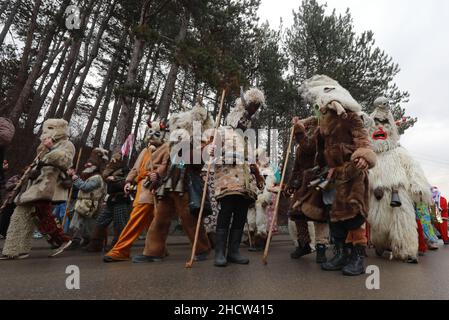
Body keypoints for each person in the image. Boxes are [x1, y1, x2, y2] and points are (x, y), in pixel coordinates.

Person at [300, 75, 377, 276]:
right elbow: (312, 148)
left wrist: (363, 156)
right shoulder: (321, 124)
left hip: (352, 172)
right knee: (335, 218)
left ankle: (358, 257)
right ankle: (341, 254)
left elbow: (363, 139)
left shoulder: (351, 116)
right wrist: (299, 132)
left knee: (353, 215)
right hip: (332, 176)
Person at [132, 102, 213, 263]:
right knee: (160, 218)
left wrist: (200, 152)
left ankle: (202, 248)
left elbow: (198, 163)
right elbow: (164, 164)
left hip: (186, 183)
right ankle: (154, 251)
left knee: (189, 219)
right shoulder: (171, 146)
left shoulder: (198, 144)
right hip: (167, 183)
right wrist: (156, 174)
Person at [366, 97, 434, 263]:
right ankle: (381, 245)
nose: (380, 129)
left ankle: (407, 252)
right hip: (376, 195)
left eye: (385, 125)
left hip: (399, 194)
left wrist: (417, 185)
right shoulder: (370, 155)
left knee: (402, 223)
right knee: (379, 226)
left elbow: (413, 168)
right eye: (376, 125)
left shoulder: (399, 151)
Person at [0, 119, 74, 259]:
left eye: (51, 128)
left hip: (48, 186)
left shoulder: (67, 144)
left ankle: (61, 240)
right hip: (34, 185)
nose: (47, 131)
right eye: (46, 128)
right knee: (21, 215)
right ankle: (16, 249)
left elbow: (65, 161)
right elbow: (38, 164)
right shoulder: (42, 146)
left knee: (41, 215)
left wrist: (52, 148)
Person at [210, 88, 266, 267]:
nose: (245, 121)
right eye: (244, 116)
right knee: (226, 211)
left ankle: (234, 251)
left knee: (241, 214)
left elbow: (250, 160)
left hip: (245, 182)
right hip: (227, 180)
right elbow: (213, 157)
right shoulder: (222, 132)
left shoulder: (248, 138)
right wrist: (212, 152)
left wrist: (257, 174)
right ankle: (220, 251)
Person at [103, 121, 170, 262]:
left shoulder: (167, 148)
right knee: (152, 221)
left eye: (156, 133)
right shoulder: (145, 150)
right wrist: (128, 182)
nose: (152, 136)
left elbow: (167, 166)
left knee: (136, 217)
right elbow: (135, 168)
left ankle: (121, 250)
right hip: (140, 187)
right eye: (150, 133)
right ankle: (159, 248)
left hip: (152, 188)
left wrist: (157, 174)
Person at [287, 116, 330, 264]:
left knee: (318, 214)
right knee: (297, 213)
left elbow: (309, 147)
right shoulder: (300, 145)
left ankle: (321, 247)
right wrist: (291, 184)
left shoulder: (319, 134)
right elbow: (296, 167)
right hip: (303, 183)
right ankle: (304, 244)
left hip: (318, 178)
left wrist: (298, 130)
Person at [86, 152, 131, 252]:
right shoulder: (109, 170)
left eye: (116, 159)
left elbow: (130, 182)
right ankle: (95, 244)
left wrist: (116, 179)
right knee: (101, 221)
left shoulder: (126, 170)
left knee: (120, 225)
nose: (113, 160)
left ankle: (118, 247)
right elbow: (105, 178)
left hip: (121, 199)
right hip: (111, 199)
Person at [67, 148, 108, 250]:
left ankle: (76, 241)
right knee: (83, 224)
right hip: (84, 203)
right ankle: (85, 240)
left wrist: (76, 179)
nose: (87, 165)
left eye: (90, 164)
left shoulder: (97, 178)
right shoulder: (90, 176)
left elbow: (86, 187)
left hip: (88, 205)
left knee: (78, 223)